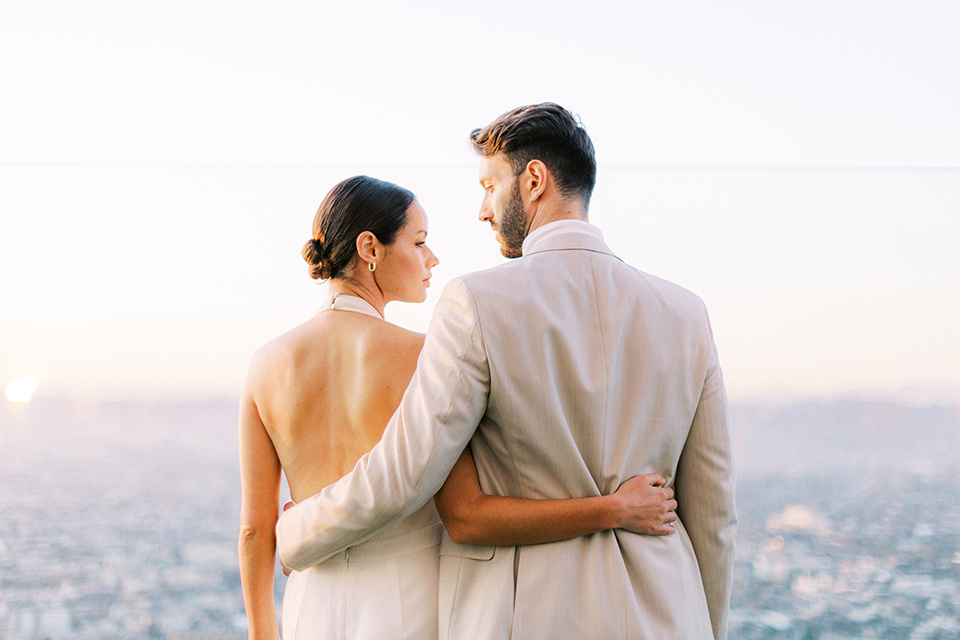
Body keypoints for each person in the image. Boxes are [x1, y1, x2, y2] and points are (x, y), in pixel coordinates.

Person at [276, 105, 737, 639]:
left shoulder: (475, 303)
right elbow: (712, 516)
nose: (482, 210)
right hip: (670, 617)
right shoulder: (686, 313)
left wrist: (296, 534)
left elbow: (403, 473)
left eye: (489, 186)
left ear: (534, 180)